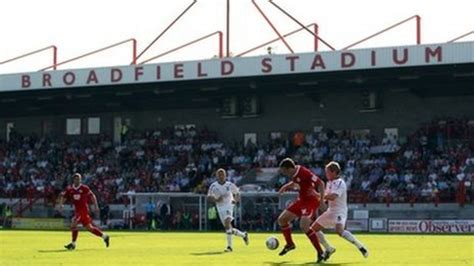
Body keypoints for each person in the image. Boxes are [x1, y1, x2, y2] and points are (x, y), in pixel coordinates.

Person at [311, 161, 369, 261]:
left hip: (339, 211)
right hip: (330, 210)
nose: (326, 174)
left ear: (334, 172)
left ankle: (361, 247)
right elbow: (325, 197)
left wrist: (317, 195)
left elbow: (333, 196)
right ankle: (329, 248)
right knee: (312, 230)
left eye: (327, 172)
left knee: (339, 231)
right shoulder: (329, 183)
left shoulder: (340, 183)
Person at [277, 157, 326, 263]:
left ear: (289, 169)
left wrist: (321, 201)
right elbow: (295, 181)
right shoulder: (294, 173)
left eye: (284, 171)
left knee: (304, 226)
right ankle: (290, 244)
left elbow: (321, 183)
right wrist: (285, 186)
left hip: (311, 201)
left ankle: (320, 252)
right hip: (301, 200)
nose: (284, 174)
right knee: (282, 220)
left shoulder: (304, 172)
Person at [59, 173, 110, 250]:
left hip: (83, 211)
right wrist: (61, 204)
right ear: (73, 180)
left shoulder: (84, 188)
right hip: (77, 211)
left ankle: (73, 244)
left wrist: (96, 205)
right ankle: (105, 236)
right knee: (90, 228)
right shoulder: (70, 189)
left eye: (79, 179)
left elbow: (92, 196)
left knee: (73, 223)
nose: (78, 180)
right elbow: (64, 196)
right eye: (76, 179)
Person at [207, 168, 249, 252]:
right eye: (219, 175)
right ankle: (243, 235)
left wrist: (235, 200)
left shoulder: (230, 185)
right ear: (217, 176)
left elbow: (237, 193)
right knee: (228, 228)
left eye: (222, 174)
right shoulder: (213, 186)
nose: (221, 176)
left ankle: (229, 247)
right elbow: (208, 197)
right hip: (220, 207)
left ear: (225, 175)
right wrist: (216, 200)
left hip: (229, 205)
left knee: (227, 222)